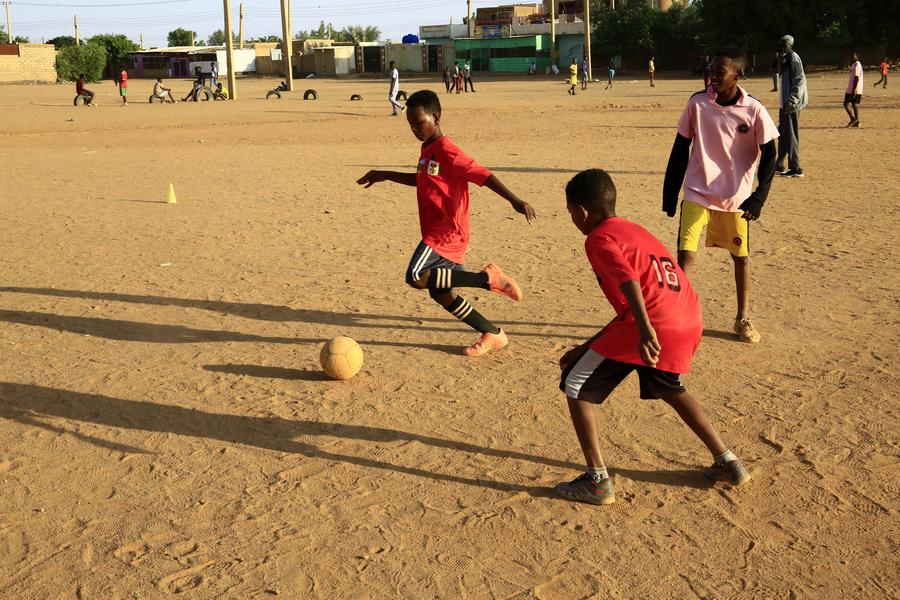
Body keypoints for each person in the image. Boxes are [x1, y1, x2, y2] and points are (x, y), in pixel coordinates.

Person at [554, 168, 750, 505]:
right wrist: (587, 346)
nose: (573, 218)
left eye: (571, 212)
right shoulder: (633, 230)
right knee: (668, 386)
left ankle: (597, 481)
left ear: (582, 212)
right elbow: (630, 305)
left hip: (653, 322)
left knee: (575, 383)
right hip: (685, 316)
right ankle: (728, 461)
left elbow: (629, 283)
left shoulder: (598, 238)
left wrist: (645, 330)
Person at [355, 90, 536, 356]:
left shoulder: (448, 151)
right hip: (439, 230)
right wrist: (385, 174)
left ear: (436, 117)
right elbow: (423, 180)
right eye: (411, 125)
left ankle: (487, 279)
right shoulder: (427, 148)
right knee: (440, 293)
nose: (415, 129)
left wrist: (514, 200)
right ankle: (493, 333)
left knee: (416, 277)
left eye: (419, 123)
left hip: (447, 231)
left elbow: (483, 175)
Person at [662, 47, 778, 344]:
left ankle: (743, 318)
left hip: (736, 198)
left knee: (740, 258)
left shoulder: (753, 109)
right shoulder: (697, 104)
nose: (711, 76)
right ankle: (677, 316)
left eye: (718, 72)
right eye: (710, 70)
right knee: (686, 255)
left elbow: (771, 153)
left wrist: (758, 198)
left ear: (738, 74)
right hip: (697, 192)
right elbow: (680, 148)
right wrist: (670, 192)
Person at [776, 35, 808, 178]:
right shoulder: (785, 59)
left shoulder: (794, 58)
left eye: (785, 44)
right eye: (781, 44)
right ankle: (779, 164)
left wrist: (792, 101)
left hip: (791, 104)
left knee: (791, 135)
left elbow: (799, 80)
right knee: (782, 134)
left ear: (790, 44)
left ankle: (795, 167)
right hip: (784, 104)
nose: (782, 46)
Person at [843, 51, 863, 127]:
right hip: (857, 88)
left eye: (853, 56)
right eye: (851, 56)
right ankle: (857, 122)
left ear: (857, 57)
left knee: (846, 104)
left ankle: (853, 119)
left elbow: (856, 78)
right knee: (854, 105)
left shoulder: (857, 65)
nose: (851, 57)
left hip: (853, 88)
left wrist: (854, 90)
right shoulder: (855, 65)